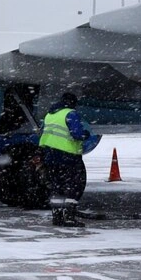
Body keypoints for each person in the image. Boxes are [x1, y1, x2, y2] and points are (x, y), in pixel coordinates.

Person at [38, 91, 92, 227]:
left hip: (50, 154)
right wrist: (85, 134)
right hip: (67, 155)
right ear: (73, 103)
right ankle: (69, 217)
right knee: (74, 185)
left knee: (57, 186)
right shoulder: (71, 114)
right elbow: (76, 134)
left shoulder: (50, 114)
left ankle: (57, 216)